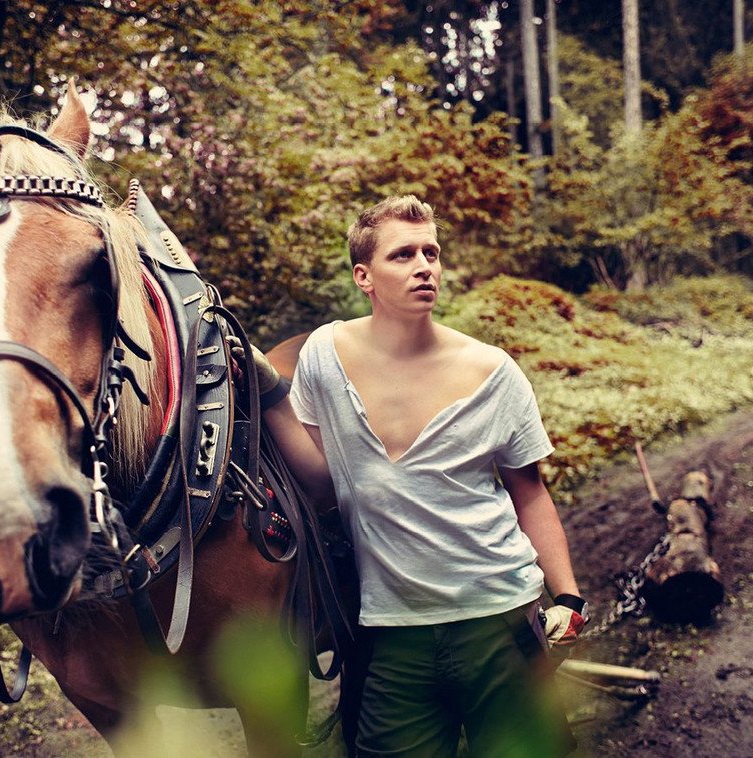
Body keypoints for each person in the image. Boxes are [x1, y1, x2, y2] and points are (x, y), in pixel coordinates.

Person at [248, 195, 587, 757]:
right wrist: (268, 395)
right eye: (403, 254)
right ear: (364, 276)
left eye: (431, 252)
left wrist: (568, 597)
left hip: (500, 619)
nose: (424, 265)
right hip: (391, 634)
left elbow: (529, 493)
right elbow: (321, 481)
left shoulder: (493, 371)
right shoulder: (325, 357)